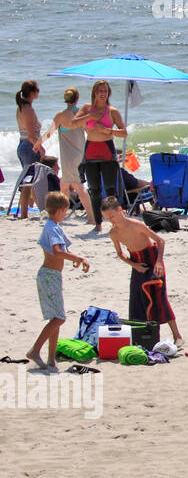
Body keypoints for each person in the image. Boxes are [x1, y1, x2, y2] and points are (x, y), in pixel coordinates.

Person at [102, 196, 183, 345]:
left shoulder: (136, 225)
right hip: (137, 263)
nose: (111, 220)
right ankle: (144, 337)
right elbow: (120, 254)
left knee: (160, 298)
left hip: (152, 259)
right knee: (138, 300)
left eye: (112, 216)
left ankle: (177, 336)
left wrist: (158, 262)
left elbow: (160, 241)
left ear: (120, 210)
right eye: (107, 218)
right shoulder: (113, 233)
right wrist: (134, 265)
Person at [25, 192, 89, 370]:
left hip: (52, 276)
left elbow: (61, 251)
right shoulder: (52, 227)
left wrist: (71, 259)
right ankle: (35, 350)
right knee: (59, 318)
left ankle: (51, 358)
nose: (66, 213)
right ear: (60, 210)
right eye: (65, 211)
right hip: (49, 276)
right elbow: (56, 251)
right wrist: (78, 258)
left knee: (56, 317)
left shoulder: (53, 226)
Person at [78, 80, 128, 232]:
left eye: (105, 91)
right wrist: (90, 116)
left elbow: (124, 132)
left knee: (111, 190)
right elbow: (73, 123)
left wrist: (108, 131)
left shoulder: (112, 111)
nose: (102, 93)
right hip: (91, 151)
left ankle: (115, 223)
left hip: (107, 151)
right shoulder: (87, 108)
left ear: (108, 93)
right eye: (100, 90)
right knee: (94, 190)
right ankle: (98, 224)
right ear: (94, 92)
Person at [38, 88, 93, 222]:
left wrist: (37, 143)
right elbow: (90, 132)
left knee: (79, 187)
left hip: (68, 157)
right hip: (80, 155)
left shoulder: (60, 115)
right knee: (64, 184)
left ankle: (92, 218)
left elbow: (49, 133)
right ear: (77, 98)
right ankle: (62, 216)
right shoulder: (81, 114)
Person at [14, 80, 44, 220]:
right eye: (37, 90)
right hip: (28, 146)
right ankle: (24, 214)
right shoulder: (28, 109)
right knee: (28, 182)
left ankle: (33, 210)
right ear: (32, 93)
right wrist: (40, 147)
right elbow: (31, 136)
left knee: (29, 181)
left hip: (23, 145)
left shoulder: (21, 107)